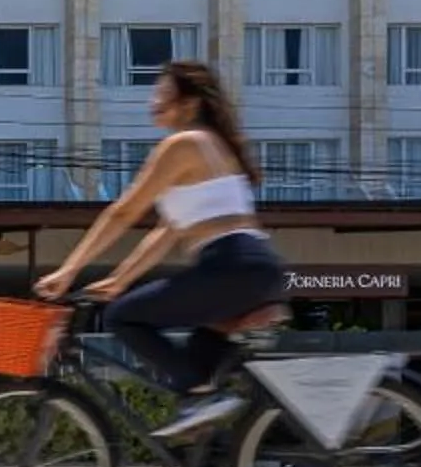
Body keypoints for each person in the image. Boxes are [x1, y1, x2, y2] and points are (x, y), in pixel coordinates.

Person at [34, 60, 287, 436]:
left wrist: (68, 270)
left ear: (190, 104)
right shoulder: (217, 147)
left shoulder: (182, 144)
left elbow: (124, 212)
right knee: (199, 369)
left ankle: (203, 398)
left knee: (123, 317)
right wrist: (120, 279)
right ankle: (209, 462)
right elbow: (164, 233)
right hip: (255, 269)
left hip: (229, 266)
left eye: (163, 95)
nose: (153, 103)